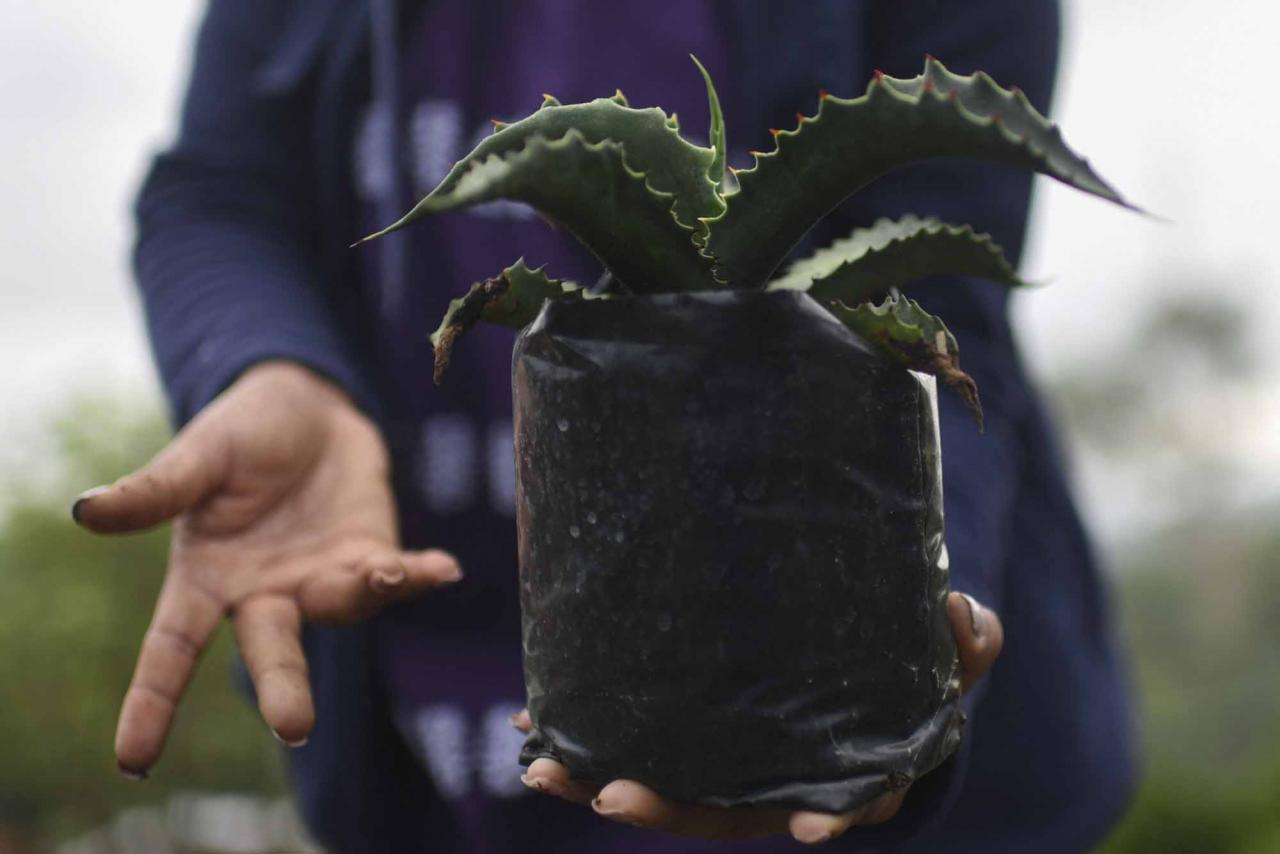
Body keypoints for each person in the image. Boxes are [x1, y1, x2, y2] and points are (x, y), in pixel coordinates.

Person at [73, 0, 1135, 851]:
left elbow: (942, 309)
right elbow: (217, 187)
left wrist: (910, 651)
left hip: (861, 766)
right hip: (432, 767)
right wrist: (264, 364)